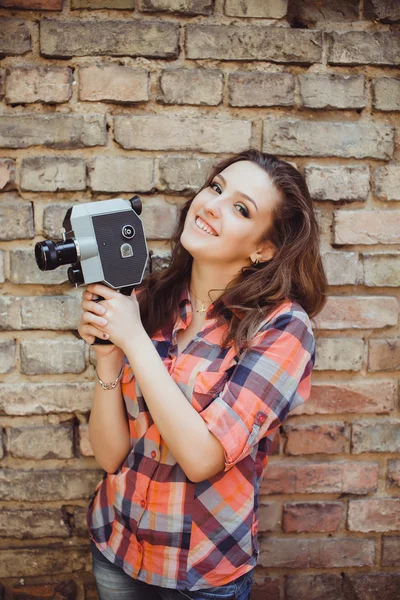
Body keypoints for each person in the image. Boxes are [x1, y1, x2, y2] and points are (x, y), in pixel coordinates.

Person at [78, 149, 327, 600]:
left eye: (240, 208)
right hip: (116, 545)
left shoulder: (284, 329)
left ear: (263, 248)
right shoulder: (151, 299)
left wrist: (132, 339)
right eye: (215, 187)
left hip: (200, 573)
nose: (211, 204)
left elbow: (202, 458)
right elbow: (111, 457)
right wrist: (109, 360)